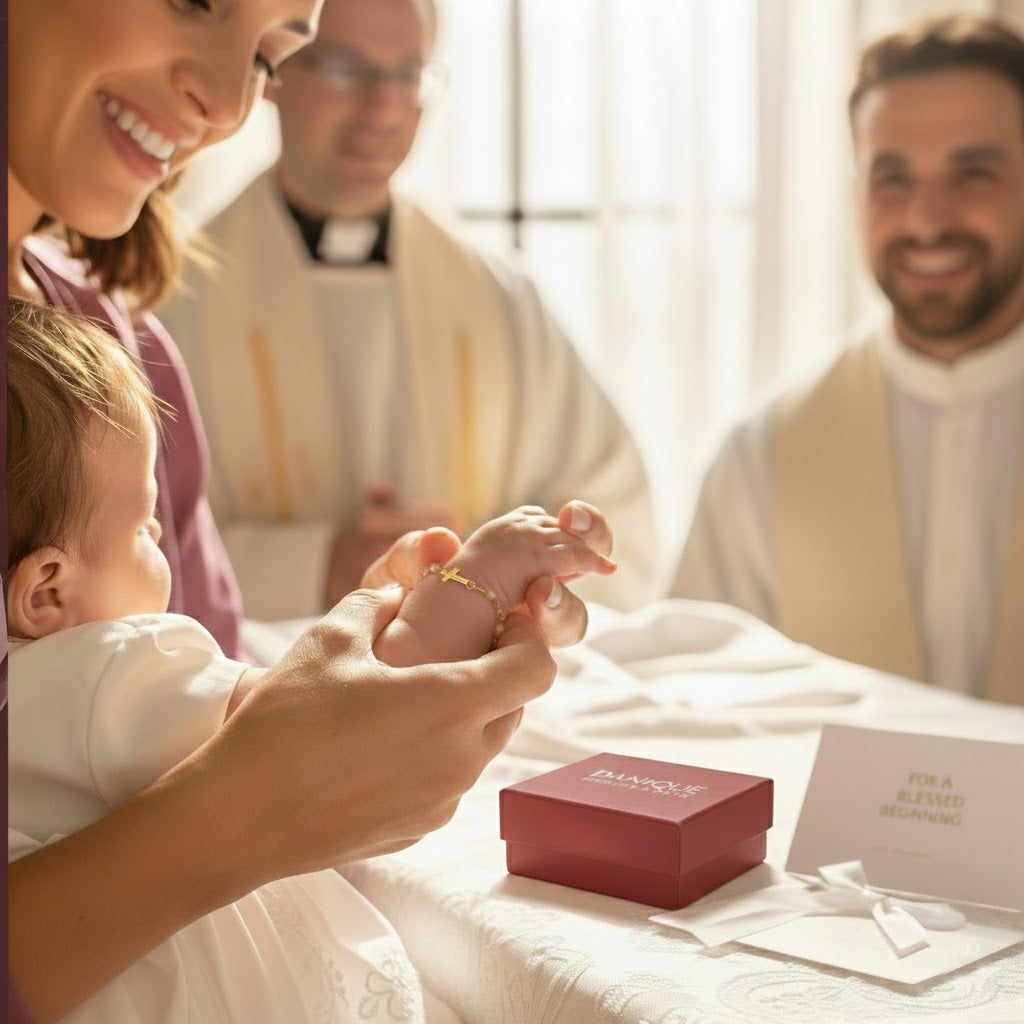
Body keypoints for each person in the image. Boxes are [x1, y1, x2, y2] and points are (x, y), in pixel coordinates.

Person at [7, 1, 597, 1019]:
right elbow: (228, 764)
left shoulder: (124, 352)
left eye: (272, 55)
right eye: (198, 0)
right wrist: (248, 804)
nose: (231, 104)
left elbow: (208, 706)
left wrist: (363, 650)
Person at [7, 298, 614, 1023]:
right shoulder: (106, 670)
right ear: (45, 591)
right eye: (145, 526)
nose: (164, 544)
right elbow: (354, 708)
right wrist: (483, 576)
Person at [158, 0, 657, 620]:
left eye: (406, 74)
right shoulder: (172, 297)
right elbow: (121, 552)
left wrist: (536, 574)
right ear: (271, 74)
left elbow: (617, 515)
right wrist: (318, 567)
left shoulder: (499, 297)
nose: (383, 107)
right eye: (344, 68)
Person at [669, 14, 1024, 705]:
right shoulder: (758, 457)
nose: (926, 220)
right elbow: (691, 715)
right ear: (855, 191)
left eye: (973, 173)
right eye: (891, 178)